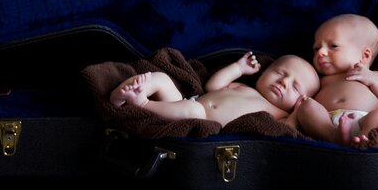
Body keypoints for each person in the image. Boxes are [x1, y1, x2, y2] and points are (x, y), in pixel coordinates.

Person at [110, 52, 320, 127]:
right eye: (281, 73)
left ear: (300, 100)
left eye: (294, 86)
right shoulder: (243, 87)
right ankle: (120, 96)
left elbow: (287, 131)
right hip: (186, 102)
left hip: (198, 119)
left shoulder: (281, 115)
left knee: (194, 111)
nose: (284, 82)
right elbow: (212, 86)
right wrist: (238, 68)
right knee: (162, 79)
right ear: (264, 72)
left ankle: (143, 104)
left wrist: (299, 113)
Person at [295, 13, 378, 146]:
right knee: (306, 107)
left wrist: (374, 80)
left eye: (333, 46)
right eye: (316, 48)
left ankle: (365, 139)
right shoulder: (318, 78)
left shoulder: (373, 76)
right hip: (326, 121)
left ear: (365, 55)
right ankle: (332, 135)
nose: (321, 52)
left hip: (363, 120)